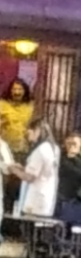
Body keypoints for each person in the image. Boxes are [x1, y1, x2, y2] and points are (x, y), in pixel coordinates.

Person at [0, 75, 32, 211]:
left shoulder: (30, 107)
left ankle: (13, 214)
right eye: (14, 89)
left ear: (25, 91)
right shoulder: (2, 105)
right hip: (5, 150)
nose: (17, 92)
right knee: (4, 182)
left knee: (17, 185)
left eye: (20, 89)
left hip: (23, 150)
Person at [55, 129, 81, 229]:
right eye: (69, 143)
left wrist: (74, 158)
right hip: (62, 196)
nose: (71, 146)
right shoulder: (61, 156)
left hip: (78, 197)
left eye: (74, 144)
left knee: (75, 226)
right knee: (59, 224)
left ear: (80, 144)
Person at [19, 122, 60, 220]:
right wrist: (22, 168)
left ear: (37, 131)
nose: (28, 137)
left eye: (29, 133)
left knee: (29, 226)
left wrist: (13, 169)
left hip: (35, 200)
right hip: (47, 200)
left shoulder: (41, 150)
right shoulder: (54, 148)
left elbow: (30, 177)